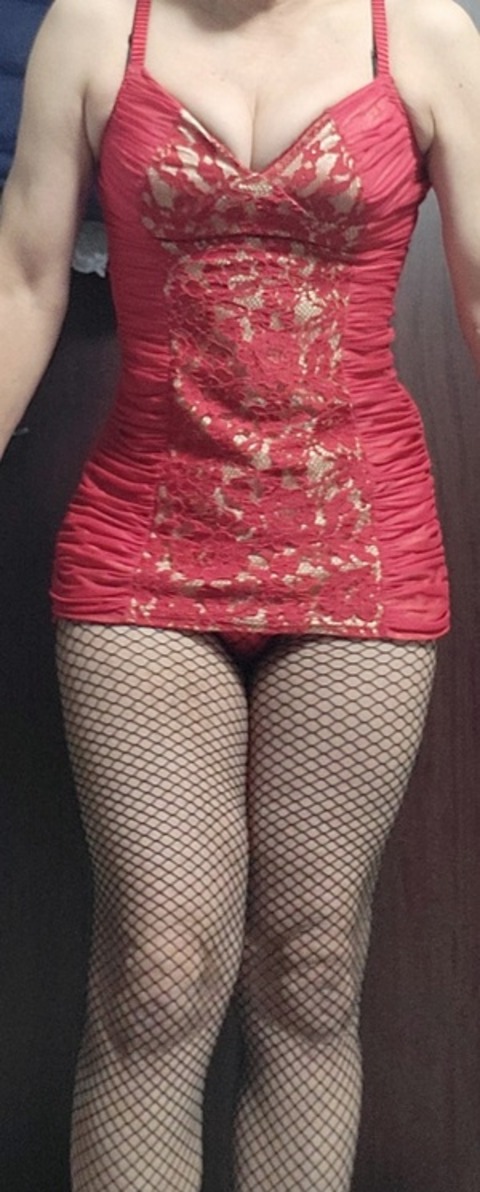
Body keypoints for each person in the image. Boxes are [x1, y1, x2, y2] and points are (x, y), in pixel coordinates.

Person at [1, 0, 479, 1188]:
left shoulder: (428, 35)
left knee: (309, 969)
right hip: (140, 544)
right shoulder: (92, 28)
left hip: (360, 549)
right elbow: (22, 277)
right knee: (156, 973)